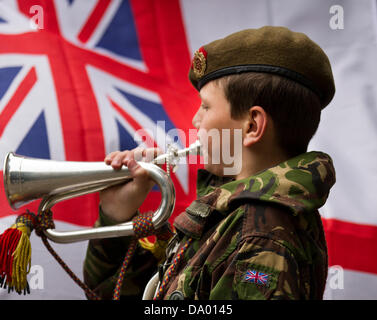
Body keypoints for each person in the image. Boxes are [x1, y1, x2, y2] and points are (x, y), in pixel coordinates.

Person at [83, 26, 336, 300]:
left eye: (205, 107)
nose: (195, 121)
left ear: (252, 125)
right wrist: (117, 216)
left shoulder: (257, 236)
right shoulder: (230, 217)